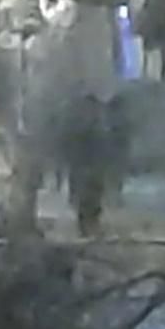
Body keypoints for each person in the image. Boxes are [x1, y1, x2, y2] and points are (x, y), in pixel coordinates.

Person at [64, 92, 110, 236]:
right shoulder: (85, 128)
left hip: (91, 170)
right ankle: (87, 227)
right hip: (86, 170)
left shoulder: (93, 127)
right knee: (87, 199)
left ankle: (89, 227)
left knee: (92, 199)